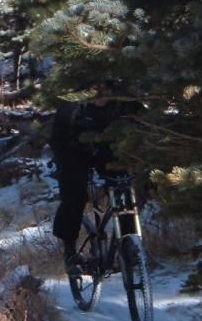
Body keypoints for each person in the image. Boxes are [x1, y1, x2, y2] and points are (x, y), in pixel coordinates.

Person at [49, 85, 142, 273]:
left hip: (108, 151)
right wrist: (67, 169)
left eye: (105, 91)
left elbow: (144, 125)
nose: (101, 97)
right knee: (74, 195)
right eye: (95, 92)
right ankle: (70, 253)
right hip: (73, 151)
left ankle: (129, 242)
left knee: (123, 186)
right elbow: (58, 141)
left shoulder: (124, 103)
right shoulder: (72, 107)